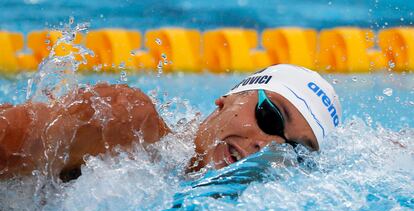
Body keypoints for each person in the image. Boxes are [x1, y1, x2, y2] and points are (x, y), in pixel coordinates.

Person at [0, 64, 341, 182]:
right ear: (226, 99)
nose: (266, 147)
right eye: (270, 117)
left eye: (294, 150)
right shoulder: (127, 123)